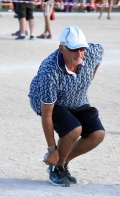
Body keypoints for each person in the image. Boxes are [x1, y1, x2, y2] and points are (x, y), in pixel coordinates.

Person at [28, 25, 105, 187]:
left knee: (97, 134)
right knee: (74, 129)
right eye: (74, 49)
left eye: (82, 48)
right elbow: (47, 114)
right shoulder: (50, 70)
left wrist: (91, 76)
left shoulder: (91, 52)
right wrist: (52, 149)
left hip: (77, 97)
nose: (79, 54)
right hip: (49, 101)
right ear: (61, 48)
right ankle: (57, 168)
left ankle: (60, 164)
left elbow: (101, 50)